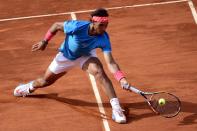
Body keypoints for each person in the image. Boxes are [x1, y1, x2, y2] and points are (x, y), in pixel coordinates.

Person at [13, 8, 131, 124]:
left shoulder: (104, 37)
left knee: (99, 72)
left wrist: (121, 78)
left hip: (85, 56)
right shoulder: (77, 26)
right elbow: (56, 26)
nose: (104, 28)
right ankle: (28, 87)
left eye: (106, 25)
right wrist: (44, 41)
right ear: (93, 22)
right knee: (45, 81)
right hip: (66, 56)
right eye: (101, 25)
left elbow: (110, 62)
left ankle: (116, 109)